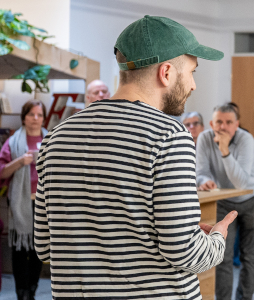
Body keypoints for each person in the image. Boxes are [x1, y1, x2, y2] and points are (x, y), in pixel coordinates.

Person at [33, 15, 237, 299]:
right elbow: (187, 253)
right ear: (166, 72)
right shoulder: (168, 135)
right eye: (192, 72)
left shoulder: (56, 136)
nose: (193, 85)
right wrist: (217, 238)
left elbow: (45, 247)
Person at [196, 103, 254, 300]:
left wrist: (224, 150)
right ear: (211, 124)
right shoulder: (204, 138)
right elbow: (200, 172)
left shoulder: (246, 139)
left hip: (252, 198)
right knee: (222, 256)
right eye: (219, 122)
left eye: (229, 122)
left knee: (249, 255)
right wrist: (204, 181)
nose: (223, 127)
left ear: (237, 124)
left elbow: (241, 183)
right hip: (224, 200)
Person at [2, 101, 46, 300]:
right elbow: (2, 172)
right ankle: (22, 293)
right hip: (20, 201)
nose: (35, 118)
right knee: (20, 248)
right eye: (31, 114)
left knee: (39, 248)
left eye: (39, 115)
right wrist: (21, 161)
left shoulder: (51, 139)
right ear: (24, 117)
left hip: (43, 203)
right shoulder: (13, 142)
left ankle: (33, 290)